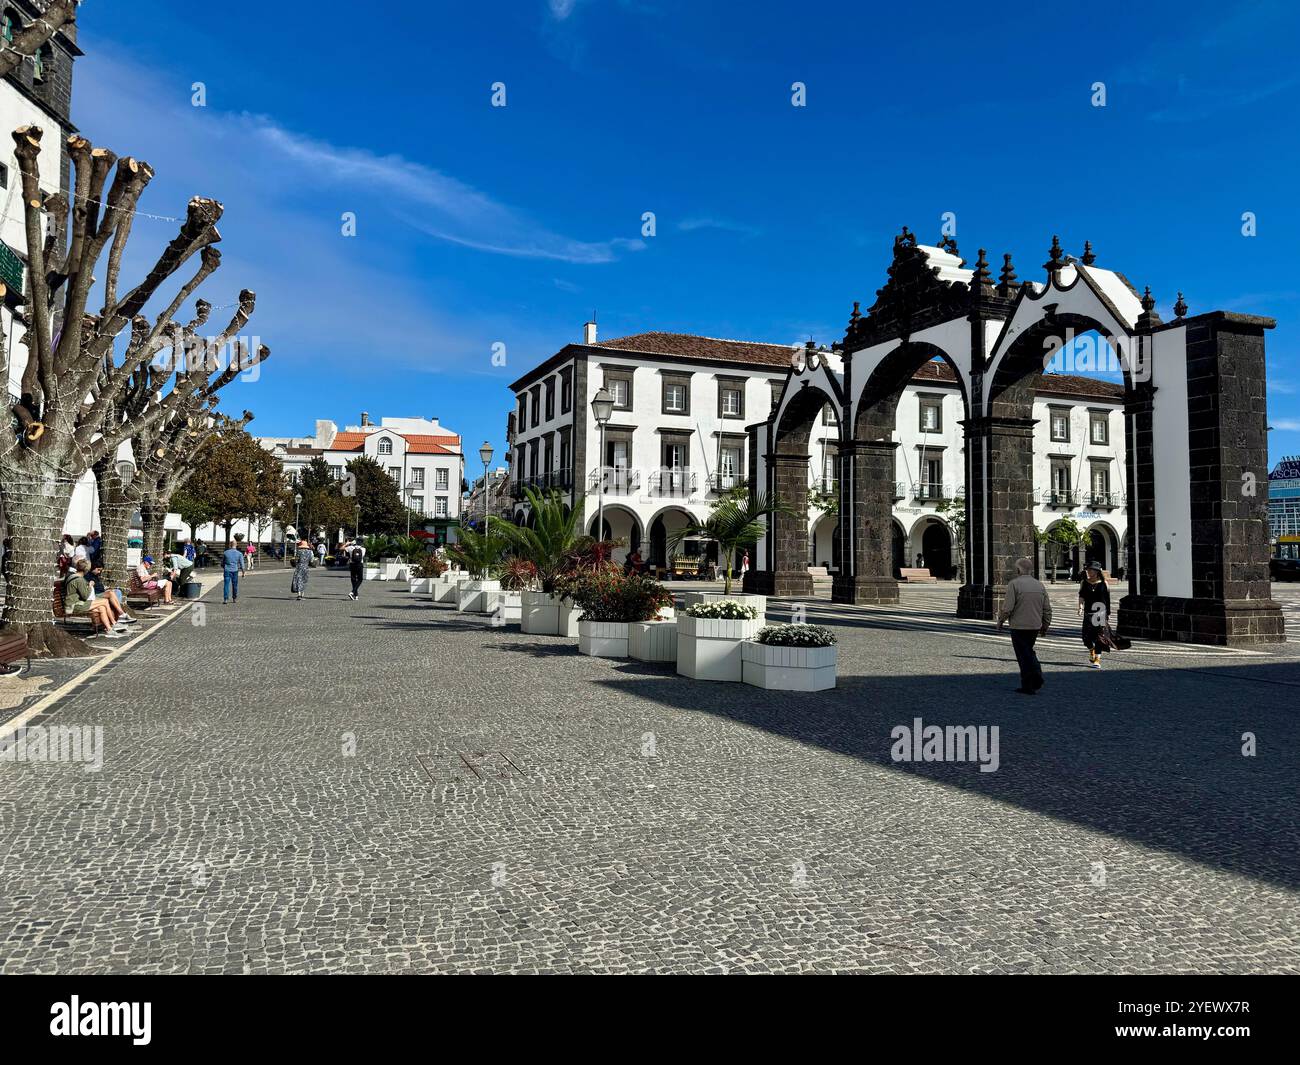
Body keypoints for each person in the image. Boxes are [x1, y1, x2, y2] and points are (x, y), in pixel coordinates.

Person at [997, 556, 1052, 695]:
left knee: (1023, 655)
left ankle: (1032, 679)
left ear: (1018, 570)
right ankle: (1030, 682)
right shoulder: (1039, 585)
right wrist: (1045, 625)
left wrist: (1000, 621)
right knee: (1028, 651)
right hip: (1034, 626)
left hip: (1018, 626)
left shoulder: (1014, 584)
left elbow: (1007, 607)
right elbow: (1047, 609)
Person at [65, 560, 130, 638]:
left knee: (101, 607)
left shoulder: (72, 576)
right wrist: (90, 585)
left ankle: (109, 629)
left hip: (75, 603)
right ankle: (114, 623)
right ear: (86, 569)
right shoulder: (79, 580)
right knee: (105, 601)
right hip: (74, 605)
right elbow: (85, 596)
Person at [1077, 562, 1113, 669]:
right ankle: (1091, 649)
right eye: (1088, 570)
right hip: (1088, 612)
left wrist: (1108, 613)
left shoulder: (1104, 583)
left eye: (1091, 570)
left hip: (1101, 612)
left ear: (1097, 571)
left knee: (1099, 637)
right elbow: (1081, 596)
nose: (1088, 571)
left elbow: (1107, 600)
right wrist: (1080, 607)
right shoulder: (1084, 582)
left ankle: (1097, 659)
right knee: (1086, 637)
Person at [222, 540, 246, 604]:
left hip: (227, 570)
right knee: (234, 585)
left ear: (230, 545)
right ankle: (234, 598)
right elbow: (242, 564)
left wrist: (224, 567)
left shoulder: (226, 553)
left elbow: (223, 563)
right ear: (236, 545)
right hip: (235, 570)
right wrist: (243, 573)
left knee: (226, 585)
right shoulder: (239, 553)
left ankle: (225, 599)